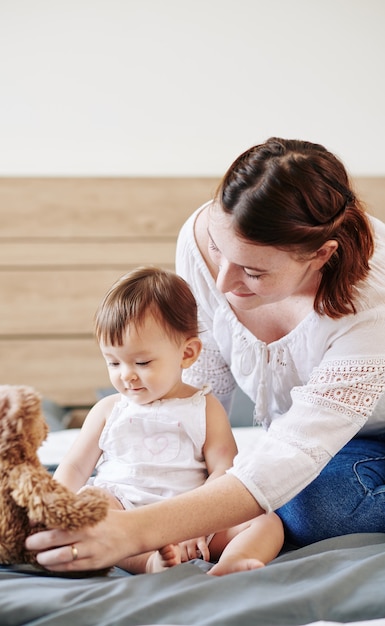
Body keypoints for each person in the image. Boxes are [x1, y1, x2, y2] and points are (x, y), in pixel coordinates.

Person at [26, 137, 385, 574]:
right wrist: (193, 499)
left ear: (320, 255)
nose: (220, 285)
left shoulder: (371, 304)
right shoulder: (200, 237)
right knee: (282, 494)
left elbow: (299, 449)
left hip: (363, 437)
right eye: (219, 251)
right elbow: (199, 387)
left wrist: (139, 531)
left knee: (311, 505)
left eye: (253, 272)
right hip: (314, 443)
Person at [51, 266, 284, 575]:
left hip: (193, 519)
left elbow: (224, 470)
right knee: (92, 508)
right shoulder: (108, 410)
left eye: (142, 362)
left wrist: (198, 522)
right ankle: (149, 562)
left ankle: (233, 562)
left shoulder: (204, 407)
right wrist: (54, 508)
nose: (126, 374)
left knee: (266, 520)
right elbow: (75, 467)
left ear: (187, 353)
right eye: (113, 362)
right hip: (124, 512)